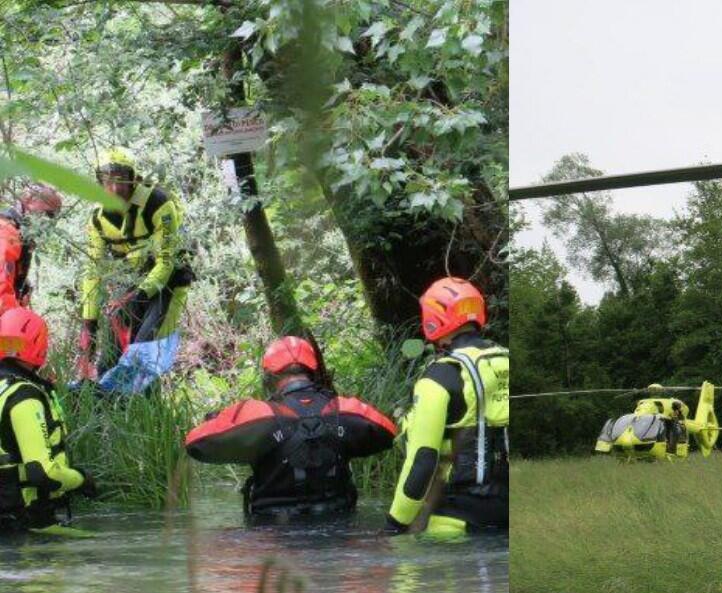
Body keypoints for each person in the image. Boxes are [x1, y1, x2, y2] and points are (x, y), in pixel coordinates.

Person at [184, 336, 397, 519]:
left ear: (269, 377)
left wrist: (219, 421)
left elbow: (195, 443)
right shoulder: (347, 410)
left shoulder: (255, 414)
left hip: (272, 534)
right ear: (313, 372)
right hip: (339, 530)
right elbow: (391, 433)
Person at [387, 277, 509, 537]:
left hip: (460, 518)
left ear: (434, 318)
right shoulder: (506, 359)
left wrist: (394, 526)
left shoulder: (440, 376)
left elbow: (422, 460)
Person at [77, 148, 193, 381]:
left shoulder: (158, 203)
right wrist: (89, 321)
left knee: (145, 351)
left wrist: (139, 297)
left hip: (169, 282)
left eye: (122, 181)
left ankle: (149, 410)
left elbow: (167, 260)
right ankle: (106, 407)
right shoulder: (97, 219)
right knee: (109, 356)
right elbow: (93, 270)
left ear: (133, 179)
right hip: (132, 282)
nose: (115, 189)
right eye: (108, 182)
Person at [0, 308, 98, 533]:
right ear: (39, 345)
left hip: (9, 518)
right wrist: (82, 480)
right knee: (99, 550)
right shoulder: (24, 396)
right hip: (23, 521)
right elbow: (43, 473)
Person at [0, 184, 63, 312]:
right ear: (28, 201)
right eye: (47, 213)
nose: (47, 220)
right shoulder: (7, 231)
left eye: (52, 216)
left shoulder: (21, 233)